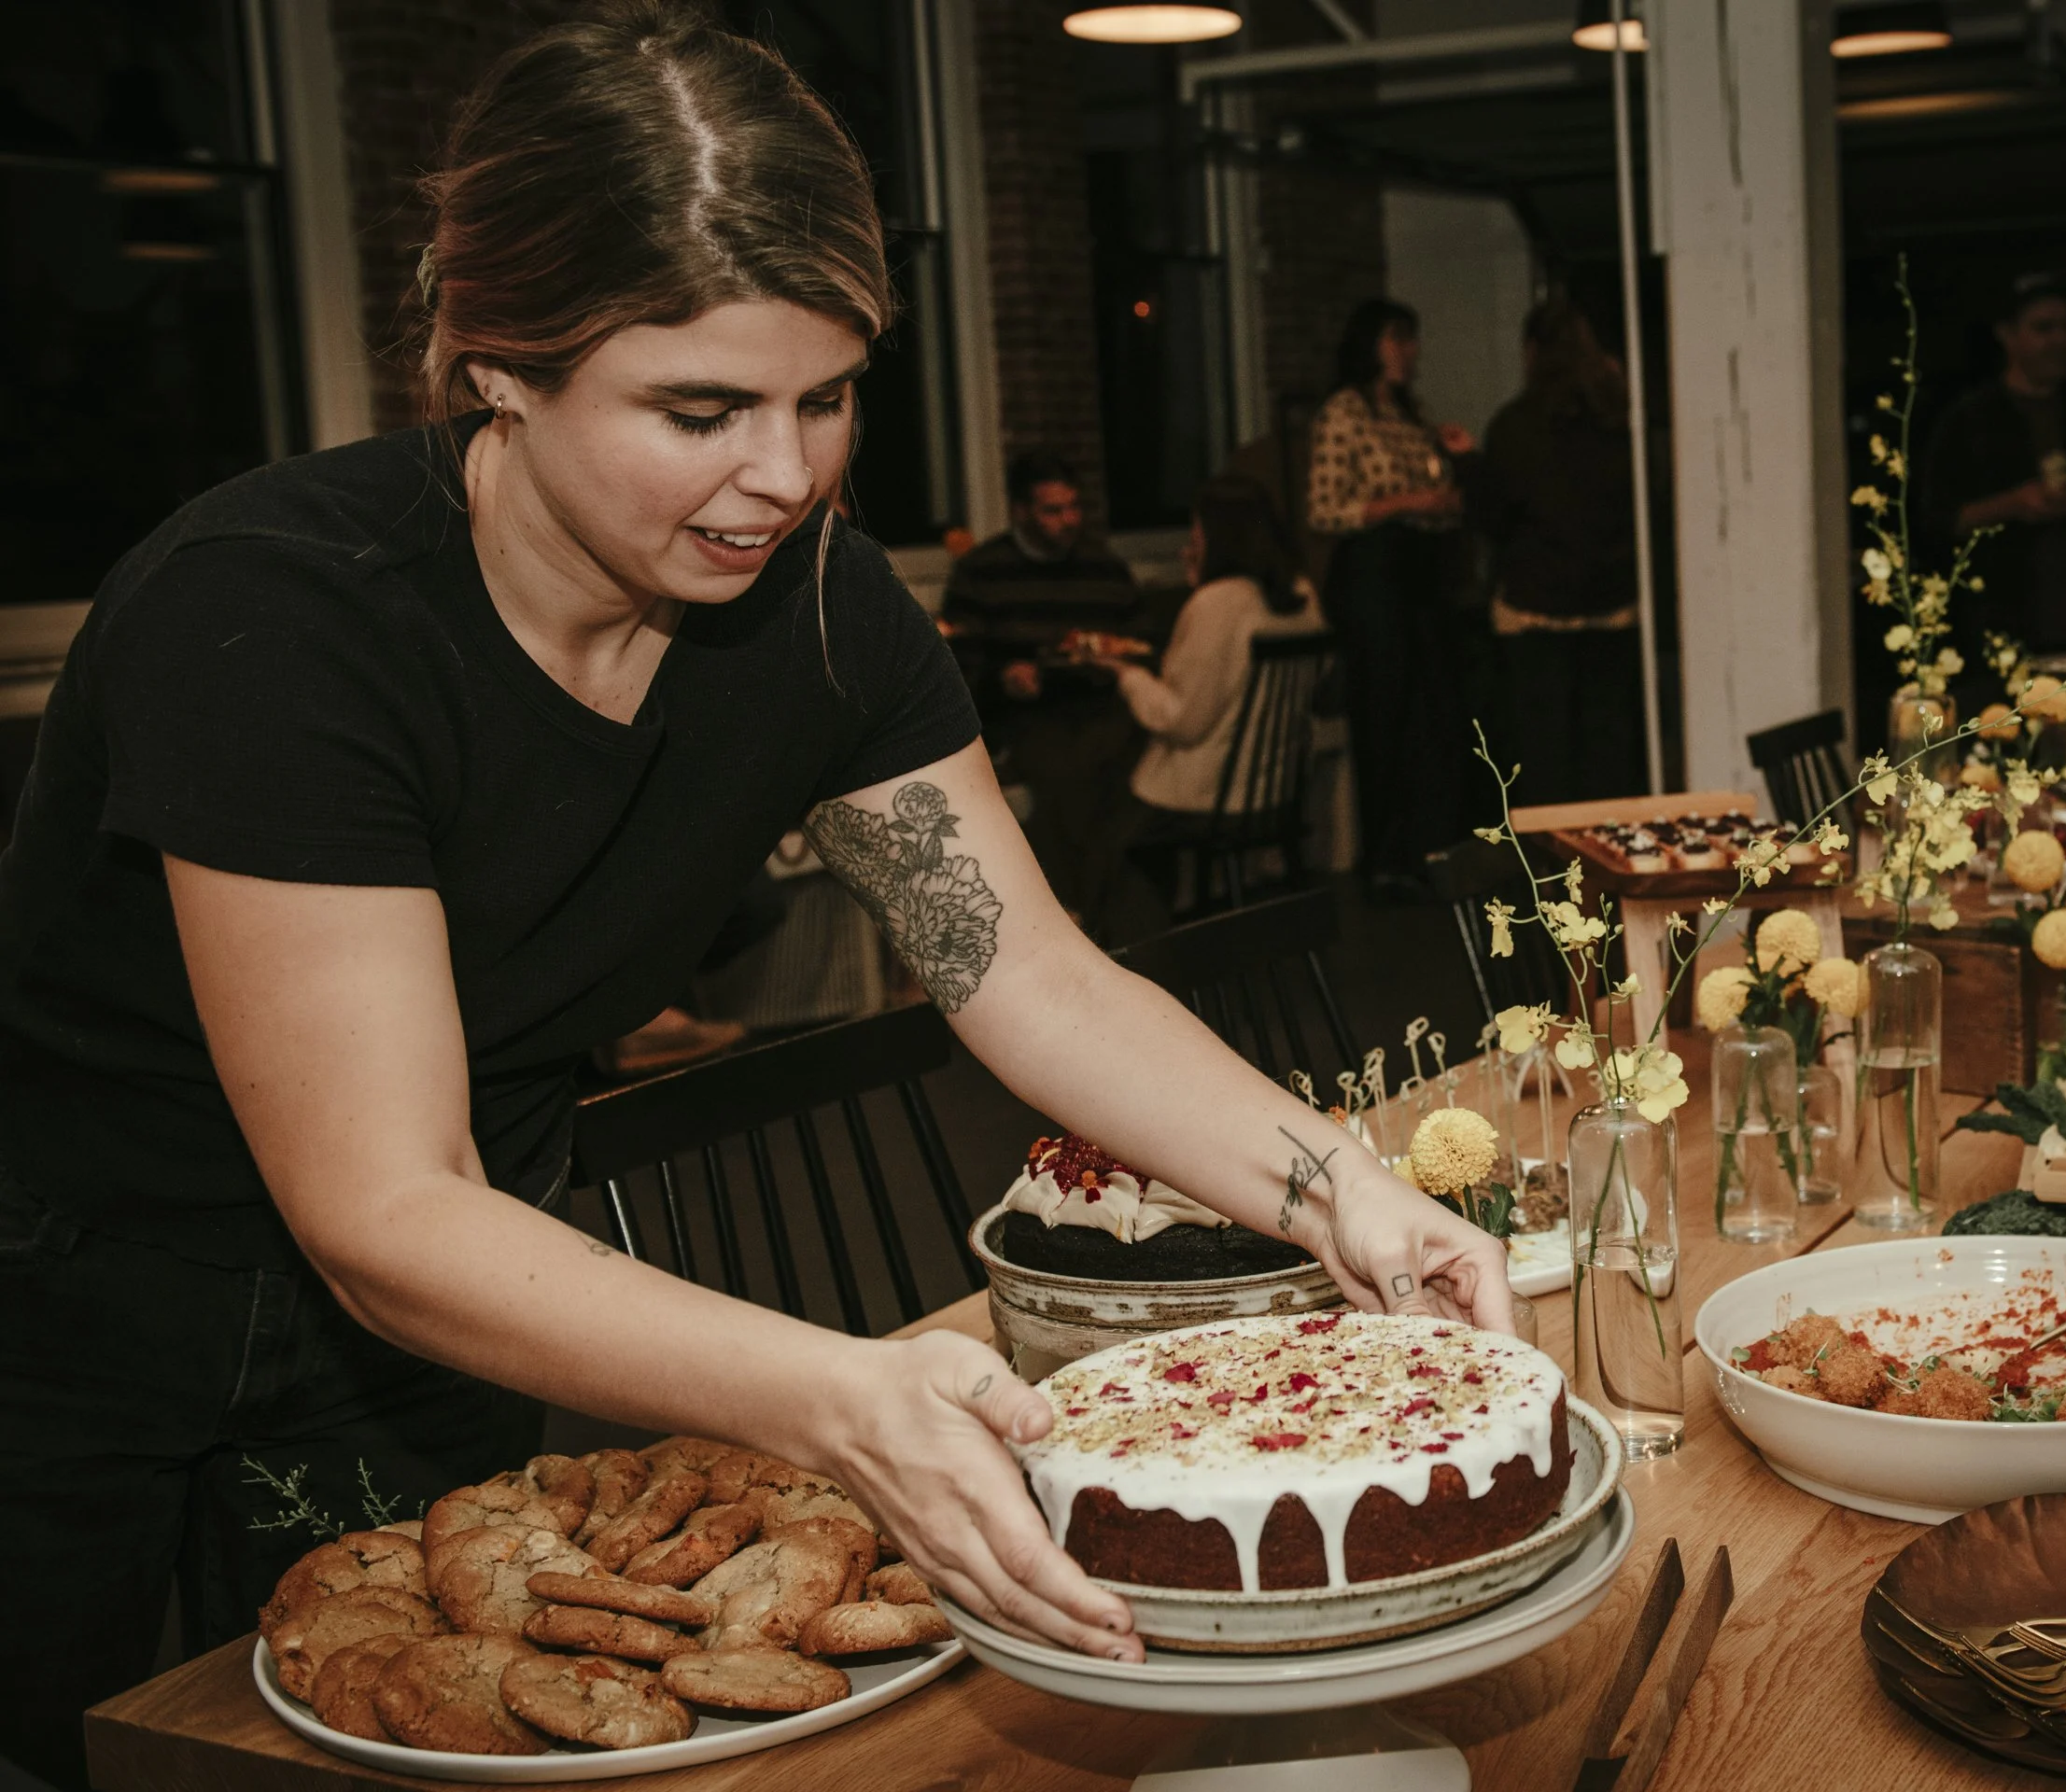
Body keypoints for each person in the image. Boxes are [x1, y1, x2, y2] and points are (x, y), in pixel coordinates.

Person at [0, 10, 1515, 1786]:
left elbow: (1032, 973)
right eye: (698, 409)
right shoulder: (274, 623)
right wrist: (837, 1389)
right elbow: (380, 1205)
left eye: (825, 396)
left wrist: (1341, 1188)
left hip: (465, 1295)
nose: (784, 478)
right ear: (498, 364)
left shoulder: (818, 608)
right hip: (72, 1319)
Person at [1093, 475, 1326, 940]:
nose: (1191, 543)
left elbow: (1182, 722)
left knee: (1108, 827)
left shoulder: (1217, 604)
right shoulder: (1301, 595)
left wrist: (1126, 674)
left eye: (1196, 533)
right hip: (1274, 789)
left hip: (1210, 797)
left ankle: (1131, 956)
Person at [1306, 299, 1474, 902]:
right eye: (1396, 339)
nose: (1408, 352)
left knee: (1432, 711)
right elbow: (1326, 508)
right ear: (1370, 343)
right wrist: (1409, 504)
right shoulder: (1343, 413)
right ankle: (1384, 855)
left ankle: (1429, 846)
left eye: (1412, 340)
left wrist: (1447, 490)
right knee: (1385, 711)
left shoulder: (1411, 414)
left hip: (1421, 570)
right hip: (1373, 572)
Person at [942, 452, 1142, 919]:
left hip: (1102, 705)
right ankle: (1082, 918)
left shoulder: (1105, 568)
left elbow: (1142, 639)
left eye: (1074, 508)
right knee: (1066, 775)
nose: (1068, 521)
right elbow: (958, 665)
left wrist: (1112, 657)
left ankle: (1098, 914)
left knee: (1128, 771)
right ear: (1021, 512)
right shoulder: (982, 571)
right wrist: (1003, 678)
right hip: (1024, 716)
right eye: (1053, 511)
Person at [1470, 296, 1644, 805]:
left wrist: (1468, 469)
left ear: (1532, 351)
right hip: (1610, 603)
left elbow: (1492, 516)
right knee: (1607, 756)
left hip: (1537, 605)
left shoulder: (1516, 425)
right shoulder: (1617, 419)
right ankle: (1609, 868)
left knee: (1543, 757)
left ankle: (1553, 875)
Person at [1920, 274, 2066, 652]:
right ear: (2007, 336)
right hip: (2001, 628)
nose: (2061, 340)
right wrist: (2013, 505)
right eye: (2044, 328)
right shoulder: (1969, 418)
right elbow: (1936, 521)